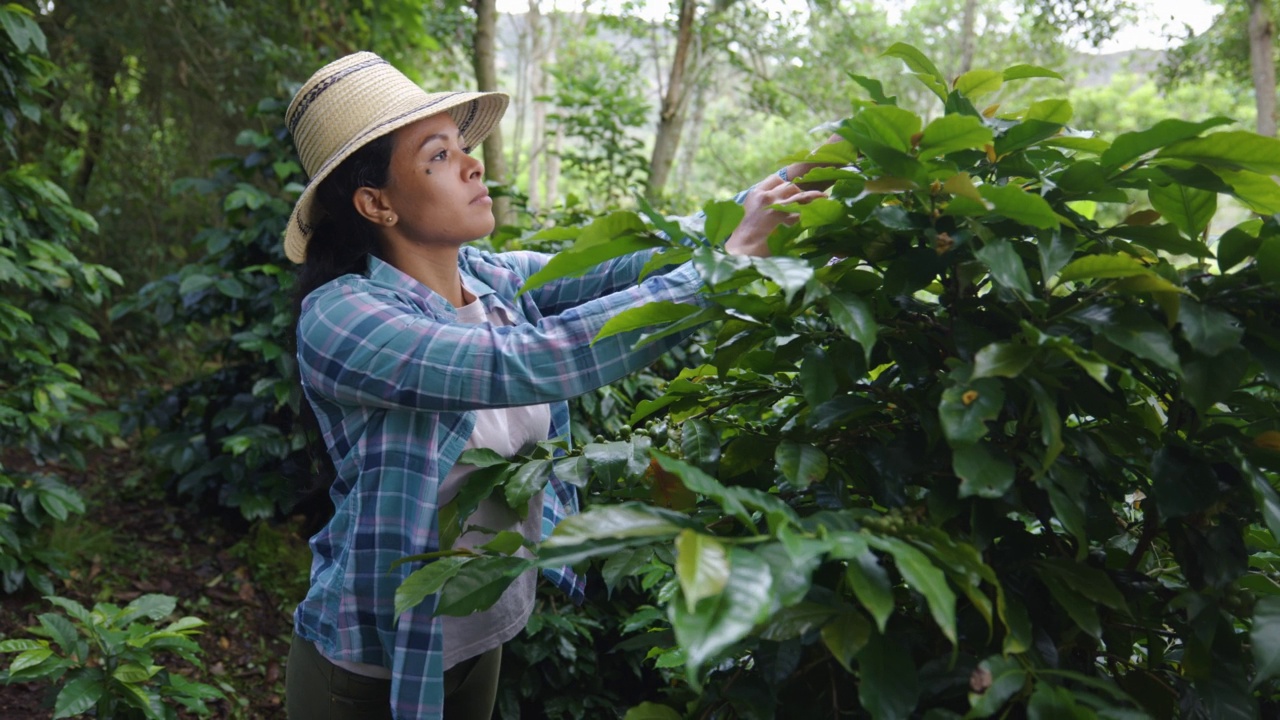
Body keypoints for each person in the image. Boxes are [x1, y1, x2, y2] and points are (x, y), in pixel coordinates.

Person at [282, 51, 829, 720]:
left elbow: (644, 257)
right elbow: (525, 362)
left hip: (479, 640)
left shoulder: (492, 281)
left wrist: (788, 182)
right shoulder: (342, 316)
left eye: (463, 147)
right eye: (437, 157)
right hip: (373, 666)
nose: (472, 164)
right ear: (376, 203)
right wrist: (724, 271)